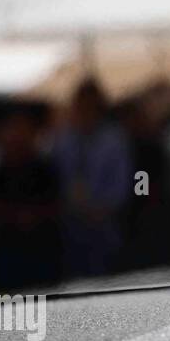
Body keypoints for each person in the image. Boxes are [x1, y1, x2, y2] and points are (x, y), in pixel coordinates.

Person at [52, 80, 131, 277]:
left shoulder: (114, 140)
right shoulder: (64, 139)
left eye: (91, 107)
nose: (86, 112)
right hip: (69, 226)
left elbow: (122, 183)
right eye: (81, 106)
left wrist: (101, 209)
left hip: (104, 225)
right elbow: (57, 177)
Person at [0, 107, 60, 286]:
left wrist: (33, 216)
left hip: (42, 250)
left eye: (22, 128)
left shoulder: (44, 168)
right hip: (8, 252)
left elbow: (55, 204)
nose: (17, 134)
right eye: (13, 128)